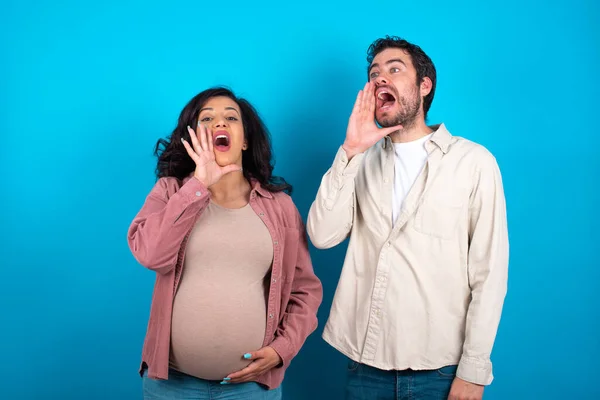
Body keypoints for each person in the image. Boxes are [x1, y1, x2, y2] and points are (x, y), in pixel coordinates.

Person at [306, 36, 509, 400]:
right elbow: (322, 235)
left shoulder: (474, 162)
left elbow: (489, 275)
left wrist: (473, 371)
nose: (380, 78)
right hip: (365, 368)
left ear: (424, 85)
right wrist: (350, 151)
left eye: (394, 69)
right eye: (374, 73)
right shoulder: (360, 161)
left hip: (442, 371)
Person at [127, 87, 323, 399]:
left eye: (231, 118)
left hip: (249, 389)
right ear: (193, 139)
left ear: (244, 140)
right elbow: (151, 255)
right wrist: (198, 185)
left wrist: (282, 349)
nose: (220, 123)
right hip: (172, 386)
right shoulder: (169, 192)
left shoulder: (280, 207)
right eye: (207, 119)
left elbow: (305, 289)